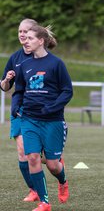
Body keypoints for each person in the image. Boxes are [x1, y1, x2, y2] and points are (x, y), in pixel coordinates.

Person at [12, 24, 73, 211]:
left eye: (30, 38)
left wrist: (52, 107)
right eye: (25, 38)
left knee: (53, 165)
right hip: (29, 119)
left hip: (52, 121)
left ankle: (62, 181)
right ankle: (44, 202)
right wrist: (16, 105)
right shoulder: (25, 65)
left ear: (41, 41)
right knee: (31, 157)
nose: (26, 41)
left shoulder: (56, 64)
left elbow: (67, 91)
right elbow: (19, 90)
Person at [1, 18, 41, 202]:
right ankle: (33, 190)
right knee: (23, 151)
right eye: (20, 32)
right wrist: (7, 79)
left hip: (41, 110)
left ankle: (58, 170)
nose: (22, 35)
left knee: (48, 158)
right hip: (19, 108)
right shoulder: (15, 58)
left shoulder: (41, 56)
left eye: (26, 32)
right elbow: (4, 86)